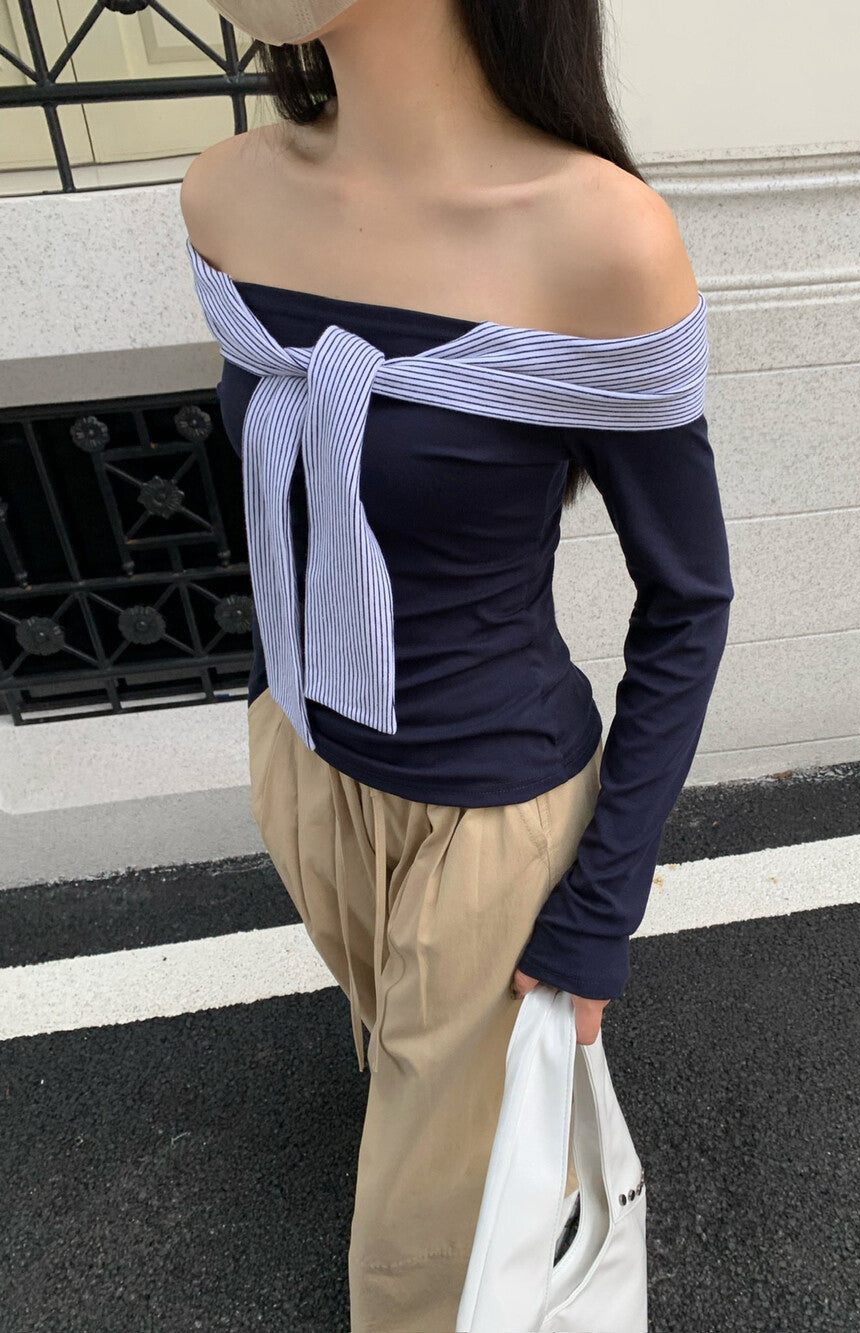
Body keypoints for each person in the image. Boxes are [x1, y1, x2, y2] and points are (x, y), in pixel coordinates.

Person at [181, 0, 734, 1328]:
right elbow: (281, 498)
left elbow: (689, 599)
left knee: (417, 1268)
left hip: (489, 825)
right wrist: (276, 711)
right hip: (303, 762)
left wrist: (596, 914)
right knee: (426, 1100)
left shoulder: (598, 240)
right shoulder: (228, 193)